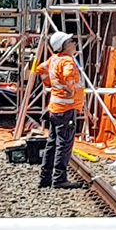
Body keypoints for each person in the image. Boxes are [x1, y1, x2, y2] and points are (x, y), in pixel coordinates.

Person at [35, 30, 86, 189]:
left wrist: (48, 83)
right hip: (67, 108)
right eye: (71, 42)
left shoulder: (54, 59)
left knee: (52, 142)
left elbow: (40, 69)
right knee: (64, 144)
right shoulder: (67, 62)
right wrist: (69, 86)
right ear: (64, 46)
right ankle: (59, 179)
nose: (74, 44)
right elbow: (68, 74)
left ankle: (45, 178)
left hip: (55, 109)